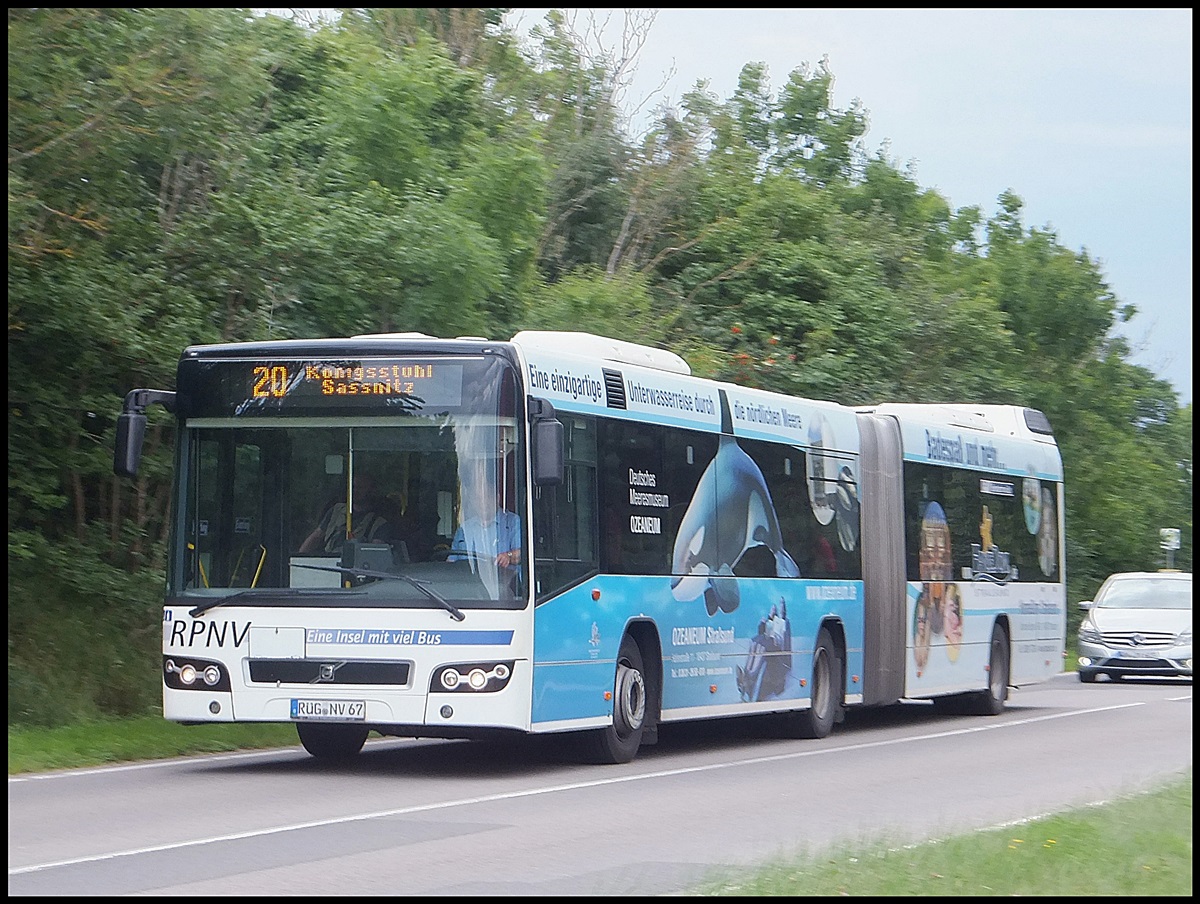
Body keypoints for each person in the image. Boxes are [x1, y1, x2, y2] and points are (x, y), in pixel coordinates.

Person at [299, 473, 392, 555]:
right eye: (353, 487)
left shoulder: (379, 523)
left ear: (372, 491)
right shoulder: (336, 510)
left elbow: (374, 554)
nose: (355, 491)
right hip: (327, 562)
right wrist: (299, 559)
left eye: (360, 488)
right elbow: (316, 537)